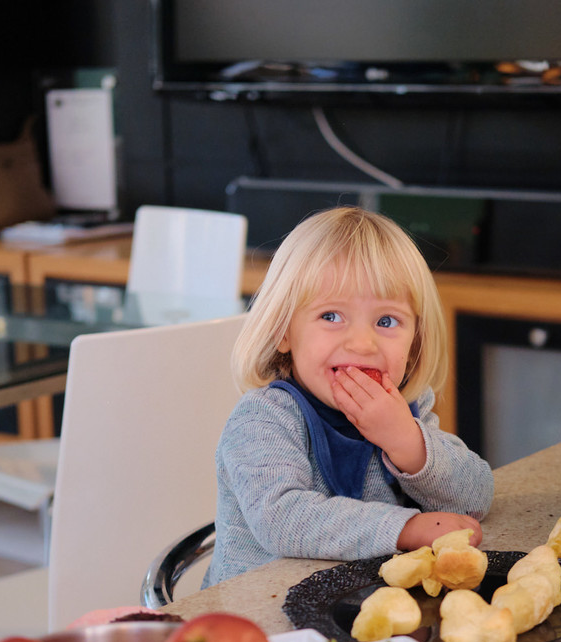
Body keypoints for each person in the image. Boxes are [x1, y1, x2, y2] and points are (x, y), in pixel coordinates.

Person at [204, 206, 494, 585]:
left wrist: (408, 443)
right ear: (283, 331)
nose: (361, 344)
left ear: (415, 342)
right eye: (331, 316)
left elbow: (475, 499)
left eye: (386, 321)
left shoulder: (408, 410)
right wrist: (405, 528)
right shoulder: (263, 418)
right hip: (257, 612)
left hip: (360, 605)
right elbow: (281, 518)